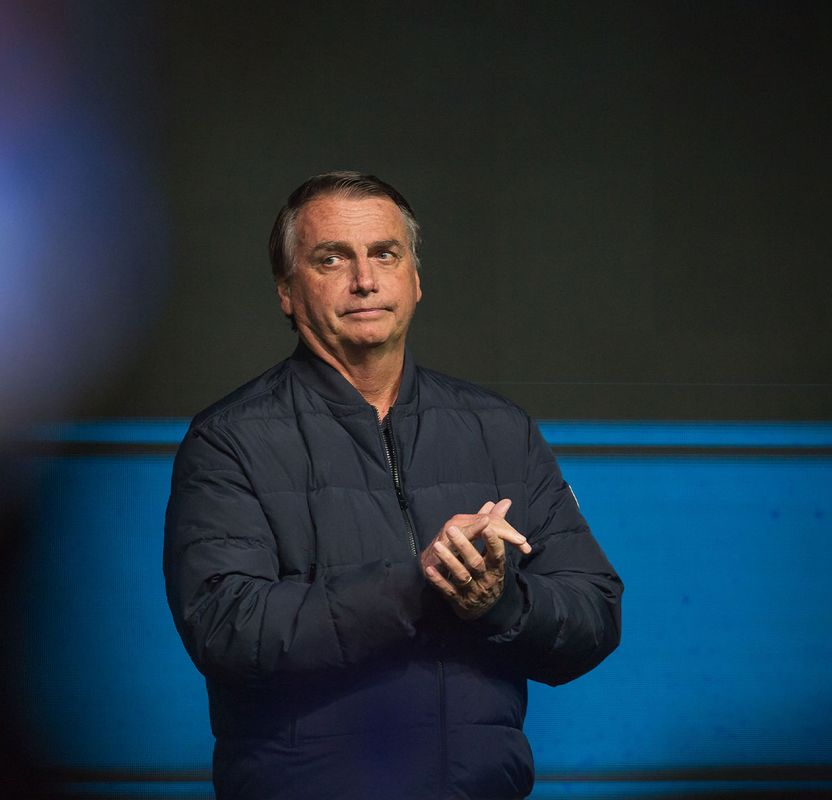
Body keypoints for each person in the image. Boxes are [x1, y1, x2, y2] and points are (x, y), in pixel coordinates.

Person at [163, 171, 622, 799]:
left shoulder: (500, 429)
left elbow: (594, 613)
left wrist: (499, 601)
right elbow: (229, 629)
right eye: (332, 259)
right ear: (286, 292)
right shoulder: (228, 439)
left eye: (385, 253)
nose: (365, 280)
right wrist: (422, 582)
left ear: (415, 279)